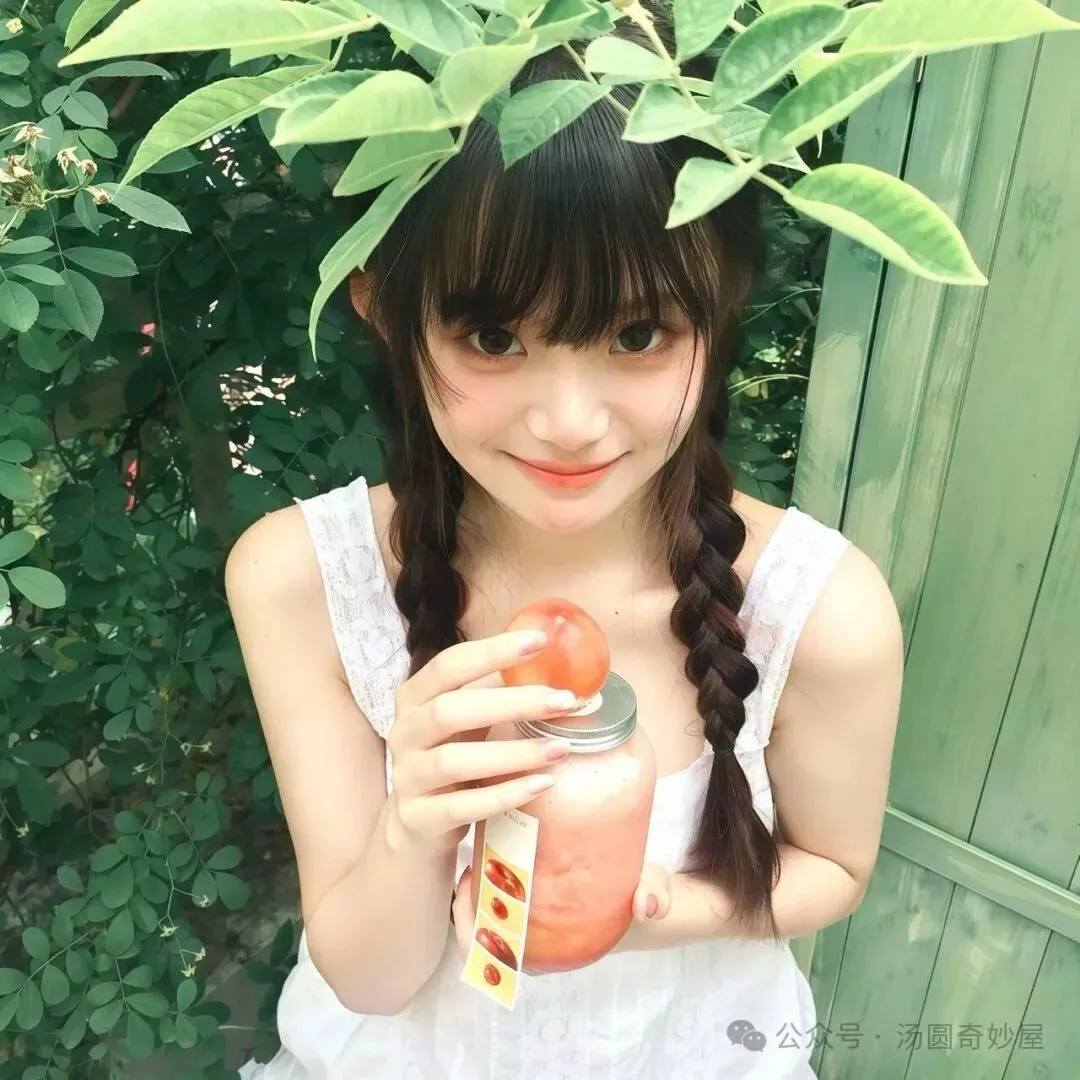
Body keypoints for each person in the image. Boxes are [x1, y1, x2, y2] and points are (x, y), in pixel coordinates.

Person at [226, 6, 904, 1078]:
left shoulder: (816, 608)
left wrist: (647, 913)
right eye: (495, 336)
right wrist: (415, 828)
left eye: (637, 333)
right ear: (387, 315)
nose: (570, 422)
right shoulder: (301, 579)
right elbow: (369, 980)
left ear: (721, 311)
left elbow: (834, 865)